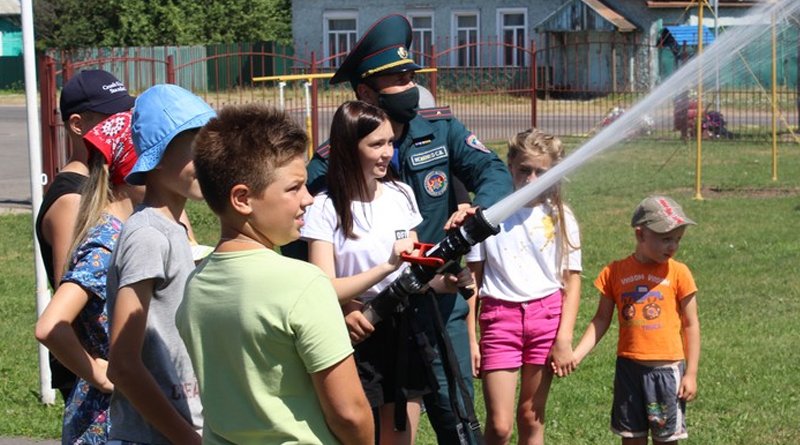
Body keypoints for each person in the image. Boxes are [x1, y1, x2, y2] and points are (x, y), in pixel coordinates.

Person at [294, 14, 514, 444]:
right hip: (369, 319)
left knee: (458, 420)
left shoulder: (440, 129)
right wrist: (343, 305)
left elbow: (492, 169)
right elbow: (296, 242)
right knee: (381, 430)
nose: (410, 87)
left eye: (411, 75)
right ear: (365, 91)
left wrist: (477, 209)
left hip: (437, 307)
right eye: (397, 78)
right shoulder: (328, 164)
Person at [177, 103, 373, 445]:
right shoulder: (303, 283)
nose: (308, 198)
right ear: (242, 198)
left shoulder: (195, 284)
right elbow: (349, 412)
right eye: (294, 188)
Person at [301, 101, 471, 444]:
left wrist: (445, 282)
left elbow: (413, 275)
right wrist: (381, 272)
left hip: (405, 328)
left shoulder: (400, 194)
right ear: (349, 147)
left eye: (390, 142)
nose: (387, 153)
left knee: (399, 439)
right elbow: (324, 289)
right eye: (376, 145)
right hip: (355, 334)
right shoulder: (324, 207)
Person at [105, 84, 216, 445]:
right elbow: (122, 364)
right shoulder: (148, 236)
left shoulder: (173, 230)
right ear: (157, 155)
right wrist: (189, 439)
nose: (207, 160)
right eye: (193, 148)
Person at [465, 129, 582, 445]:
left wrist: (564, 338)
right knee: (500, 426)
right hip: (499, 320)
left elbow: (572, 280)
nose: (532, 180)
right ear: (510, 166)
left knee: (531, 418)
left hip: (546, 319)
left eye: (541, 172)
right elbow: (472, 280)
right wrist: (472, 340)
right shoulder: (489, 215)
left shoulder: (561, 216)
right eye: (524, 170)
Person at [35, 111, 142, 444]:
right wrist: (100, 375)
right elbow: (50, 325)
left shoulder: (126, 233)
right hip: (105, 420)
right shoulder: (106, 242)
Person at [572, 196, 701, 444]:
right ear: (640, 235)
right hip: (629, 371)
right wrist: (577, 354)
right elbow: (600, 320)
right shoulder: (614, 272)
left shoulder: (679, 273)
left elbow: (691, 324)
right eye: (666, 238)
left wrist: (691, 373)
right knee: (631, 438)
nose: (673, 246)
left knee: (666, 439)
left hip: (666, 373)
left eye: (678, 239)